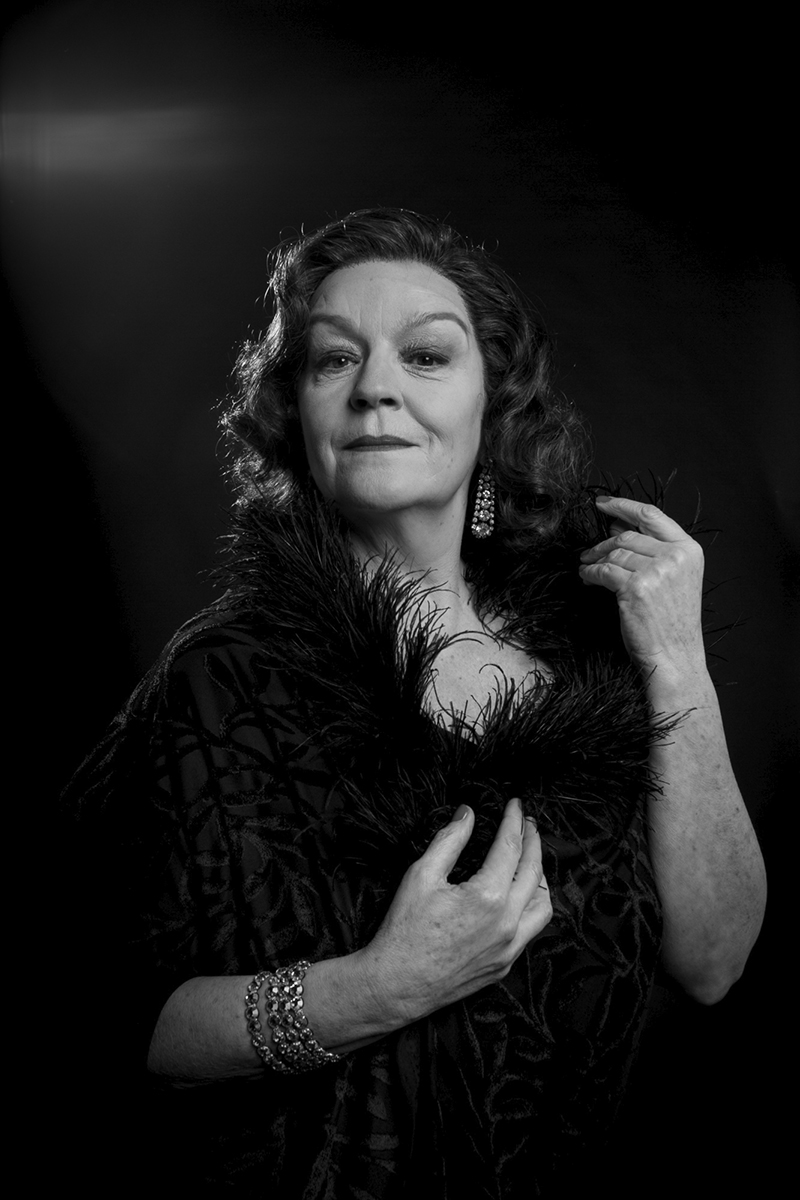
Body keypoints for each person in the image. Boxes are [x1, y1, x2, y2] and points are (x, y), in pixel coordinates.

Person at [63, 208, 766, 1197]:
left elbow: (714, 961)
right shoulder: (223, 682)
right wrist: (380, 988)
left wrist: (678, 661)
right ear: (296, 414)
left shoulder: (595, 661)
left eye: (426, 356)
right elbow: (106, 1025)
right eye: (333, 361)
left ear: (493, 406)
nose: (375, 388)